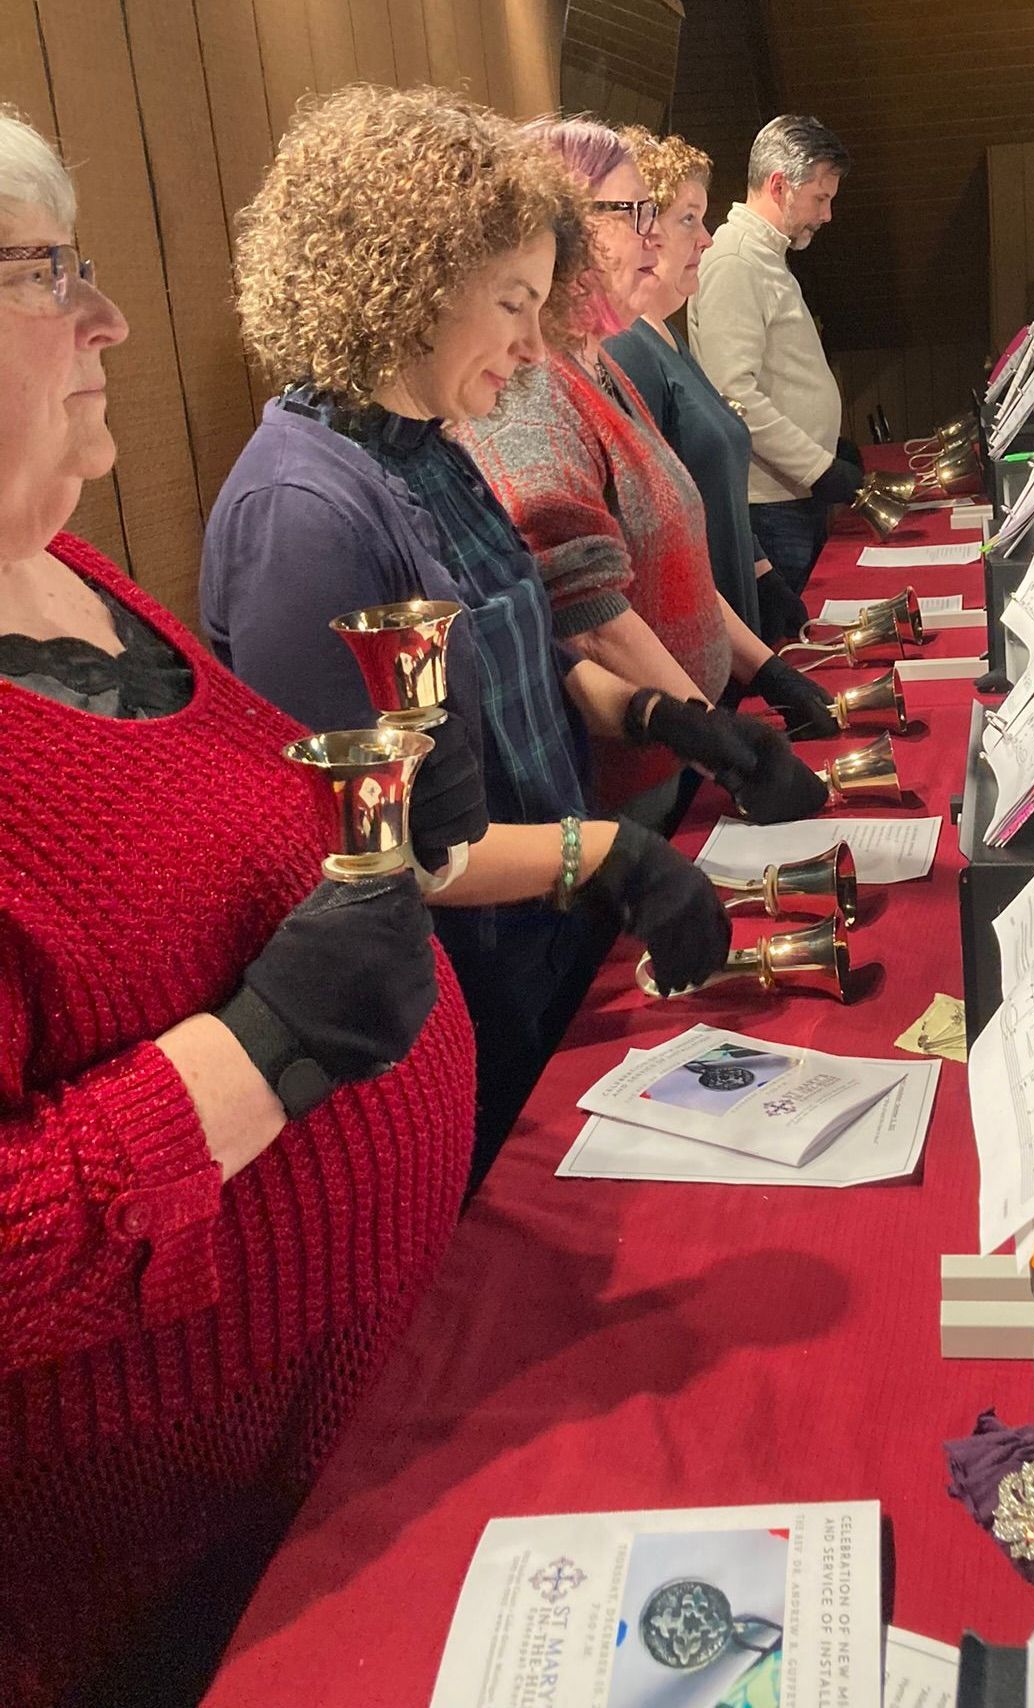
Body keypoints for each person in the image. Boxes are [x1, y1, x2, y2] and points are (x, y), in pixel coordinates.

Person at [0, 106, 475, 1705]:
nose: (109, 318)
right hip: (189, 1607)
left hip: (372, 1433)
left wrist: (395, 826)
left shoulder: (77, 577)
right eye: (48, 272)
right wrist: (261, 1054)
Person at [203, 88, 809, 1194]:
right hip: (461, 1000)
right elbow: (390, 859)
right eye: (514, 303)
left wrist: (670, 718)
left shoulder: (427, 451)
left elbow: (522, 659)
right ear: (411, 285)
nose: (537, 346)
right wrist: (614, 853)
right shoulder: (306, 515)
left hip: (540, 939)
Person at [459, 119, 832, 815]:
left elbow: (671, 556)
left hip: (679, 753)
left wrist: (764, 670)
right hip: (630, 780)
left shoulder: (601, 366)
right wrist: (725, 746)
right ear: (565, 226)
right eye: (635, 214)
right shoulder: (537, 392)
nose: (655, 236)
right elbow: (592, 617)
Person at [606, 126, 833, 673]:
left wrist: (759, 572)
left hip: (725, 624)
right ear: (644, 231)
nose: (706, 239)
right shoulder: (629, 348)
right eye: (690, 219)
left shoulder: (663, 334)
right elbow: (658, 526)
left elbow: (700, 484)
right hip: (689, 651)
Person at [688, 114, 857, 598]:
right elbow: (734, 393)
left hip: (789, 494)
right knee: (796, 645)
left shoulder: (764, 255)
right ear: (780, 185)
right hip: (771, 504)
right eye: (820, 199)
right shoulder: (737, 260)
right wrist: (817, 468)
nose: (826, 216)